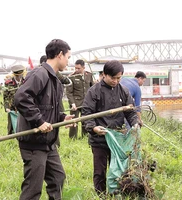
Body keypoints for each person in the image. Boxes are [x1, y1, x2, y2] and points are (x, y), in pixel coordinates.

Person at [14, 39, 75, 200]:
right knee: (33, 189)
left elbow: (49, 108)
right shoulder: (39, 74)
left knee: (57, 178)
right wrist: (39, 122)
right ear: (60, 55)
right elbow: (21, 98)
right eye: (68, 57)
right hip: (34, 142)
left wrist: (63, 117)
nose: (69, 61)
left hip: (48, 142)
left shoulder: (56, 79)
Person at [82, 60, 139, 196]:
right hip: (100, 139)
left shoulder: (123, 91)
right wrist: (93, 128)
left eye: (118, 78)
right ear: (104, 75)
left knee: (119, 169)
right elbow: (86, 113)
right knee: (100, 171)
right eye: (112, 78)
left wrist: (135, 123)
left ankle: (117, 194)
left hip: (118, 138)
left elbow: (130, 112)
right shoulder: (94, 91)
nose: (115, 81)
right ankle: (101, 196)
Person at [66, 59, 94, 139]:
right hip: (75, 102)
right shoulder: (71, 77)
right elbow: (69, 92)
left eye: (78, 68)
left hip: (86, 103)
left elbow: (92, 88)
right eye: (75, 68)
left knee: (85, 120)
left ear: (83, 67)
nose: (77, 70)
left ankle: (84, 136)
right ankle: (72, 138)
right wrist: (72, 103)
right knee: (73, 121)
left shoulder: (89, 75)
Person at [3, 65, 26, 135]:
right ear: (14, 75)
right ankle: (10, 140)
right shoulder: (8, 84)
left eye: (20, 75)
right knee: (11, 126)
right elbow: (5, 97)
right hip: (12, 108)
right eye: (17, 76)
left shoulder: (26, 82)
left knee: (24, 125)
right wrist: (7, 107)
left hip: (23, 107)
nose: (19, 78)